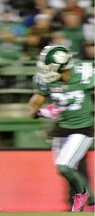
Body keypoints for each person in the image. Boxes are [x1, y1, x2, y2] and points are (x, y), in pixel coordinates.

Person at [28, 45, 94, 212]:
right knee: (65, 169)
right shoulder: (44, 80)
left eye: (49, 68)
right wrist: (40, 112)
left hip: (82, 128)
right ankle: (91, 199)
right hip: (61, 128)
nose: (46, 73)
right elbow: (34, 105)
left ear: (63, 67)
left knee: (64, 166)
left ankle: (85, 197)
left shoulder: (84, 73)